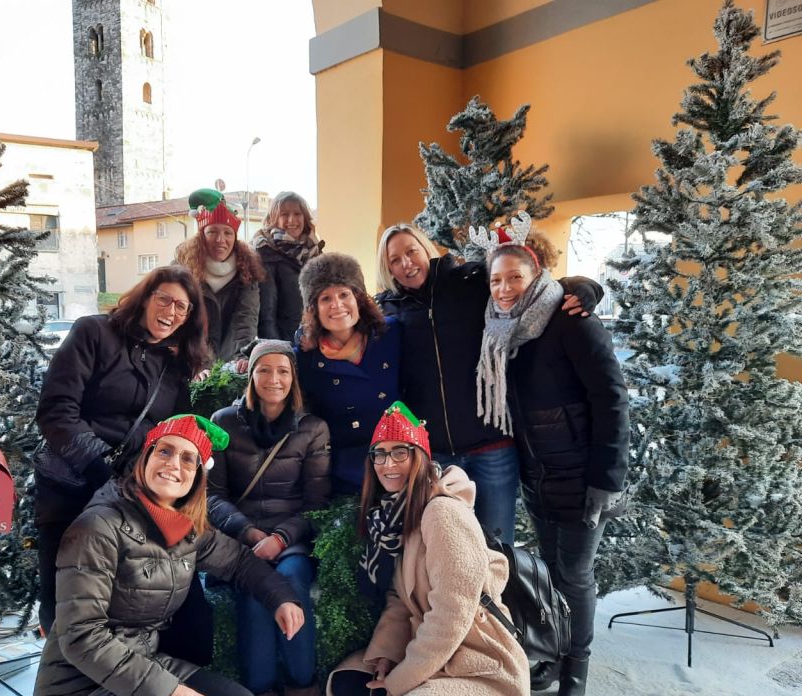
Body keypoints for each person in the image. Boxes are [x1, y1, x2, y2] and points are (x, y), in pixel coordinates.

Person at [34, 414, 306, 696]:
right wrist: (165, 690)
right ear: (145, 458)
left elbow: (239, 562)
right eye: (165, 451)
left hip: (140, 662)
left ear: (197, 476)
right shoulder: (98, 527)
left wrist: (281, 597)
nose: (174, 464)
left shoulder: (183, 526)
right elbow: (81, 637)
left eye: (188, 459)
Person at [475, 217, 629, 696]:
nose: (504, 288)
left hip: (582, 475)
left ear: (536, 273)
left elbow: (611, 397)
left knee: (575, 575)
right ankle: (555, 653)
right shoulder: (502, 332)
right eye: (496, 280)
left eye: (515, 277)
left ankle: (576, 674)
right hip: (537, 474)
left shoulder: (569, 319)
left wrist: (608, 478)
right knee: (548, 570)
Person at [327, 402, 530, 696]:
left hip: (479, 660)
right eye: (379, 454)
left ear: (419, 456)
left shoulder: (442, 512)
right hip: (435, 651)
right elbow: (399, 597)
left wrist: (398, 683)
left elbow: (452, 616)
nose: (388, 464)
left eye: (400, 452)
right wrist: (386, 657)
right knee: (350, 684)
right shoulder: (397, 514)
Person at [374, 223, 601, 544]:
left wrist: (583, 287)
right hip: (437, 457)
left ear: (426, 249)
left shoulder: (469, 282)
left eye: (411, 251)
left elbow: (527, 284)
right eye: (395, 260)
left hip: (492, 450)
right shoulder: (386, 310)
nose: (406, 263)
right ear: (387, 268)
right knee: (448, 551)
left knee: (497, 551)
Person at [34, 265, 209, 643]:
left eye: (182, 307)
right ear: (145, 298)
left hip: (134, 492)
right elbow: (57, 411)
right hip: (73, 486)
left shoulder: (174, 363)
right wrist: (100, 469)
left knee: (160, 606)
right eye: (164, 299)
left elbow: (174, 429)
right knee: (64, 609)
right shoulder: (93, 333)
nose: (171, 311)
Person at [208, 339, 330, 696]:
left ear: (293, 377)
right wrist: (248, 532)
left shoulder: (312, 427)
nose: (273, 379)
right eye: (264, 370)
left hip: (290, 537)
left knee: (291, 582)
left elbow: (316, 504)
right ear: (251, 375)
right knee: (253, 594)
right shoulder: (223, 422)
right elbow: (212, 497)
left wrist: (279, 537)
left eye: (282, 371)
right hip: (240, 539)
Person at [295, 252, 401, 494]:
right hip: (343, 475)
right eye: (325, 298)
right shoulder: (306, 358)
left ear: (358, 298)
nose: (337, 305)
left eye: (344, 294)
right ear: (313, 309)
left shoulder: (390, 334)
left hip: (398, 463)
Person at [175, 188, 265, 370]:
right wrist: (196, 362)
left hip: (229, 361)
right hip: (191, 360)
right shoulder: (181, 269)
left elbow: (245, 319)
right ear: (202, 235)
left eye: (227, 233)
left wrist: (243, 355)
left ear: (235, 237)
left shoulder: (247, 271)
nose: (220, 239)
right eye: (212, 232)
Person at [252, 192, 324, 342]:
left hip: (316, 340)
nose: (291, 220)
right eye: (284, 214)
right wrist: (279, 349)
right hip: (287, 343)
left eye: (297, 214)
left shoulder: (315, 251)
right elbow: (266, 315)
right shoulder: (265, 253)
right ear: (274, 218)